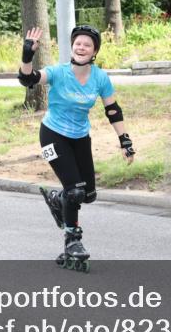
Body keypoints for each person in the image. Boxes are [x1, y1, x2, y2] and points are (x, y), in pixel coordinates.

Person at [17, 24, 135, 269]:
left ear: (94, 52)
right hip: (52, 135)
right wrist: (27, 56)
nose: (81, 48)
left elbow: (113, 110)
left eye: (87, 45)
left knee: (88, 195)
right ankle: (72, 240)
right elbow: (28, 79)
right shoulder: (58, 72)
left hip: (80, 137)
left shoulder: (100, 78)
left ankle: (57, 199)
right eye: (77, 43)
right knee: (75, 191)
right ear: (72, 47)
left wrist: (125, 141)